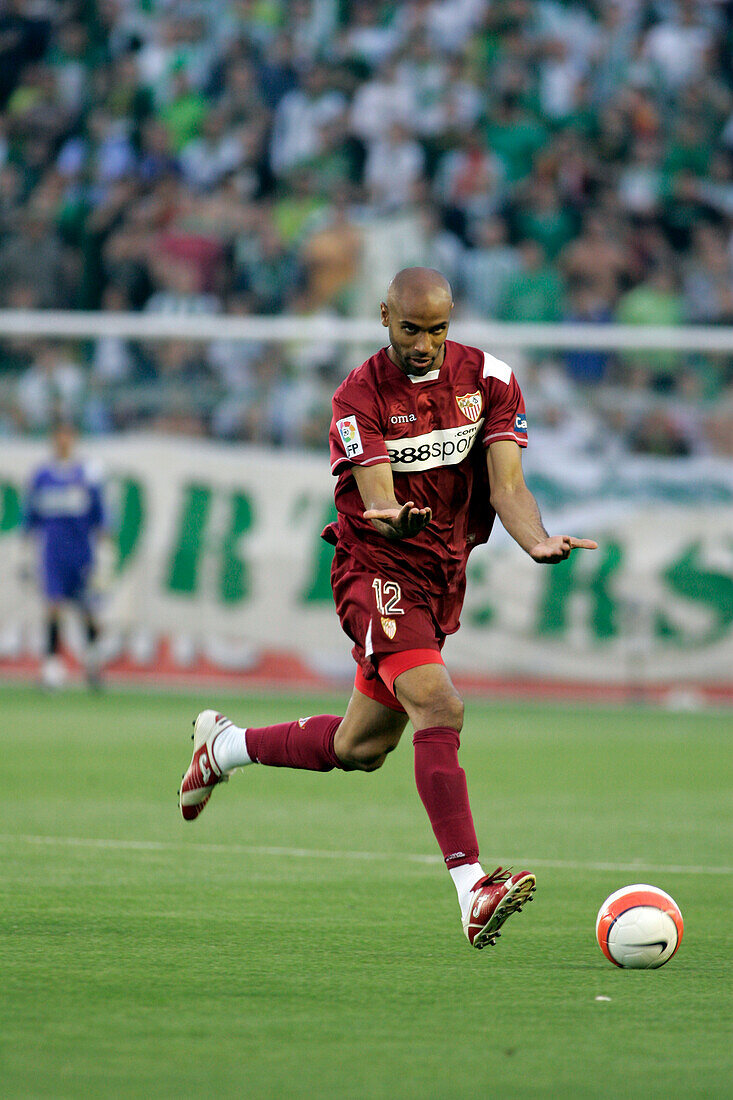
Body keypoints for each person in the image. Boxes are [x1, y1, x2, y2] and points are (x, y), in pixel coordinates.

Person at [180, 268, 597, 950]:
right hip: (374, 568)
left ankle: (222, 748)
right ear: (382, 317)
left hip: (440, 577)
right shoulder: (357, 394)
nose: (426, 344)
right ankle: (471, 889)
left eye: (437, 329)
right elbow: (375, 495)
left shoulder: (490, 379)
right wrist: (388, 519)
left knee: (360, 747)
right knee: (440, 706)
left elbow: (508, 485)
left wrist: (536, 540)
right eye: (411, 329)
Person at [22, 421, 115, 688]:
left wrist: (105, 552)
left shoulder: (87, 474)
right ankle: (52, 666)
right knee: (53, 607)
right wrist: (25, 553)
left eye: (67, 435)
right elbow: (31, 518)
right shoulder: (42, 477)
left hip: (81, 554)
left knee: (87, 609)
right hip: (52, 554)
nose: (62, 440)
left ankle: (93, 662)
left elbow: (101, 518)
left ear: (73, 438)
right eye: (58, 435)